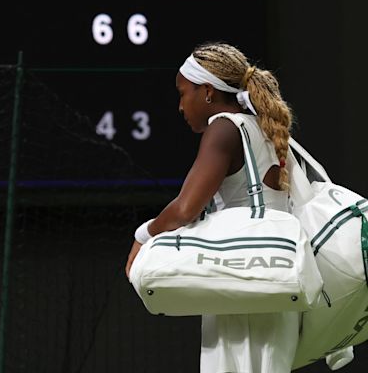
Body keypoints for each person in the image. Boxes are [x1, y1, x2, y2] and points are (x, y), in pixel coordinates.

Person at [125, 42, 299, 373]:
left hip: (241, 279)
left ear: (207, 92)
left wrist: (143, 235)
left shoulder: (224, 127)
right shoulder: (262, 126)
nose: (179, 106)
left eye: (182, 93)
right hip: (275, 281)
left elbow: (185, 209)